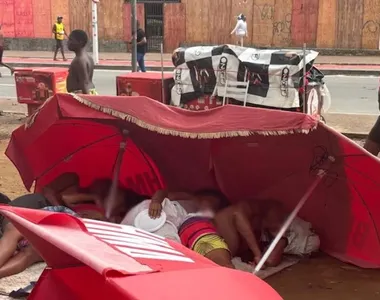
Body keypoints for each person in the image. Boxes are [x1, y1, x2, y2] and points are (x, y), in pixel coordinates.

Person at [214, 199, 288, 267]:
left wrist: (282, 239)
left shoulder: (264, 231)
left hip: (232, 251)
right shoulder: (240, 210)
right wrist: (257, 254)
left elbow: (271, 261)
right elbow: (238, 215)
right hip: (214, 243)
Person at [177, 190, 235, 268]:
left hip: (203, 236)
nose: (205, 202)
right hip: (190, 242)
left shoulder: (210, 218)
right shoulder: (189, 212)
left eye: (211, 201)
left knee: (223, 265)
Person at [66, 29, 97, 95]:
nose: (68, 42)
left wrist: (87, 101)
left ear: (80, 42)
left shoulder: (79, 60)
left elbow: (84, 83)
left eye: (71, 40)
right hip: (91, 91)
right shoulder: (89, 58)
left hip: (81, 94)